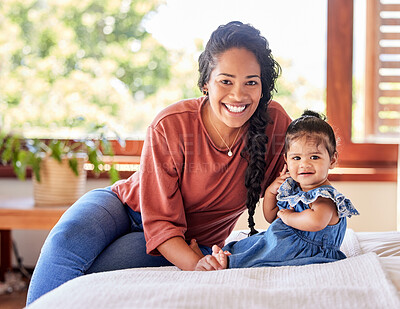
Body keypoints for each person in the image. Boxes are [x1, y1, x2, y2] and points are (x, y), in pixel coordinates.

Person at [26, 21, 292, 304]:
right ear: (206, 83)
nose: (238, 95)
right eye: (225, 81)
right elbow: (159, 216)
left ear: (263, 86)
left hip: (184, 238)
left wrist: (196, 260)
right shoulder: (171, 125)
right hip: (124, 206)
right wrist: (193, 264)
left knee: (91, 271)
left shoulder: (274, 124)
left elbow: (295, 190)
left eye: (251, 82)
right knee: (67, 238)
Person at [212, 110, 360, 269]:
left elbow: (316, 221)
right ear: (286, 160)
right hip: (288, 242)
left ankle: (230, 262)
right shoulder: (295, 190)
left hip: (308, 251)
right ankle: (230, 254)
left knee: (267, 255)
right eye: (296, 158)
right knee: (256, 243)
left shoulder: (324, 196)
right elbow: (271, 217)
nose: (304, 164)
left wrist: (288, 217)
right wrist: (271, 191)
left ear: (332, 160)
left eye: (314, 157)